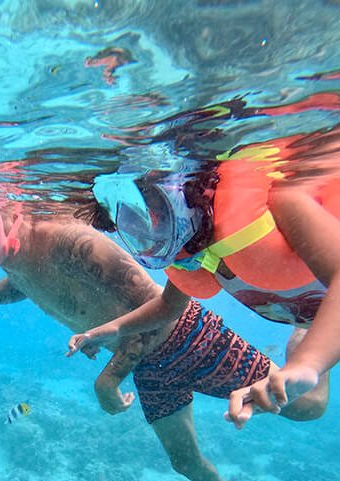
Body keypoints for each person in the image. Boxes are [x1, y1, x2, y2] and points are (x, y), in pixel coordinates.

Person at [0, 199, 310, 481]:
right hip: (150, 369)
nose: (6, 265)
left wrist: (109, 378)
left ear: (11, 225)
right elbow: (25, 282)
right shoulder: (18, 255)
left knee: (304, 407)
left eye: (1, 256)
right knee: (183, 463)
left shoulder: (71, 241)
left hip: (188, 337)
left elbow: (161, 311)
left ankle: (307, 344)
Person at [67, 130, 339, 427]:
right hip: (317, 312)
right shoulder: (192, 250)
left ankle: (307, 341)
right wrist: (109, 330)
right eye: (127, 221)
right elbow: (168, 308)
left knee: (309, 404)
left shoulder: (282, 200)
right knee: (306, 404)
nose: (144, 230)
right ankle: (306, 332)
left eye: (148, 208)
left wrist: (307, 364)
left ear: (180, 189)